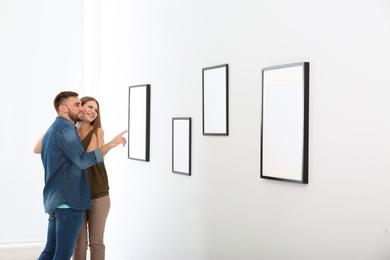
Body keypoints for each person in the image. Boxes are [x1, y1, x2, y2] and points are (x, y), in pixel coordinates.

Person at [35, 91, 126, 260]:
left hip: (75, 196)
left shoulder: (72, 130)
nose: (86, 110)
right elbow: (84, 161)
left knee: (53, 249)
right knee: (64, 251)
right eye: (80, 105)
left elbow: (86, 156)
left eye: (95, 109)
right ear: (63, 108)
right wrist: (112, 144)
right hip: (70, 199)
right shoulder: (66, 131)